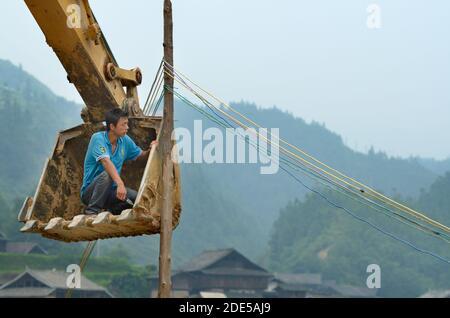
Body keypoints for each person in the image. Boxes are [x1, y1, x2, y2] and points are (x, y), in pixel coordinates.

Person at [80, 108, 157, 215]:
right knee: (108, 174)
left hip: (111, 193)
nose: (127, 127)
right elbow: (106, 162)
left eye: (127, 124)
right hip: (90, 194)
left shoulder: (125, 140)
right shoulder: (97, 139)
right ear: (112, 126)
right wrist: (120, 184)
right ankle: (91, 212)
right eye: (123, 124)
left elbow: (140, 157)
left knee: (136, 198)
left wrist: (151, 149)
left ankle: (113, 211)